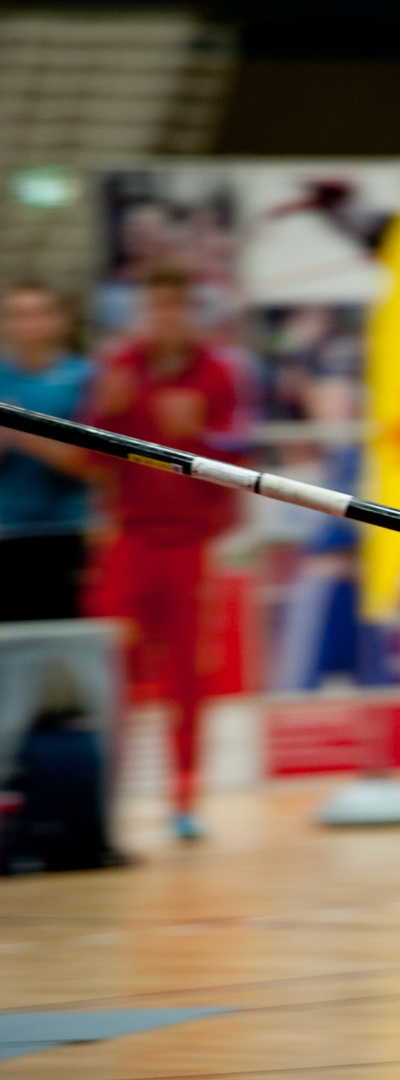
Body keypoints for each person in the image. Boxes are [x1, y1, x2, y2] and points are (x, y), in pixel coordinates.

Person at [89, 267, 238, 842]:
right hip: (129, 541)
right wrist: (105, 415)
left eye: (176, 306)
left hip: (190, 547)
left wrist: (203, 432)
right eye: (156, 306)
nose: (166, 317)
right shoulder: (119, 371)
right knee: (115, 673)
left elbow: (244, 449)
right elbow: (91, 457)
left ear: (191, 312)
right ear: (142, 312)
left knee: (187, 678)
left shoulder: (217, 372)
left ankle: (184, 795)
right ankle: (104, 794)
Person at [0, 283, 95, 621]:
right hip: (8, 531)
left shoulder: (84, 378)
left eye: (39, 314)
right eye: (20, 315)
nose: (30, 324)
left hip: (66, 529)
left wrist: (30, 438)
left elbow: (94, 466)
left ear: (59, 321)